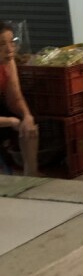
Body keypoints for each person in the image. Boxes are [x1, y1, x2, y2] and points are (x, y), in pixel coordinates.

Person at [0, 21, 38, 176]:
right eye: (1, 44)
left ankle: (31, 175)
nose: (9, 49)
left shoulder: (8, 62)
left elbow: (14, 98)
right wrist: (9, 121)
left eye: (12, 42)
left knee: (29, 126)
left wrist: (26, 116)